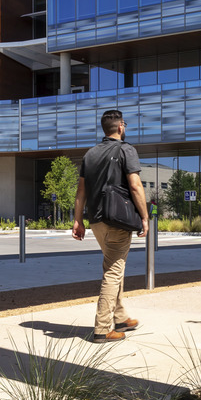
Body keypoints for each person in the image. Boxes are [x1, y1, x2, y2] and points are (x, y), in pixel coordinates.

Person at [73, 108, 148, 342]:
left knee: (115, 266)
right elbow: (135, 185)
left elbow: (81, 191)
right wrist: (145, 217)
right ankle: (103, 328)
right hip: (118, 219)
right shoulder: (126, 149)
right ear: (121, 127)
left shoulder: (90, 154)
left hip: (96, 221)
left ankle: (121, 317)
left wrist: (77, 220)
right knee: (113, 271)